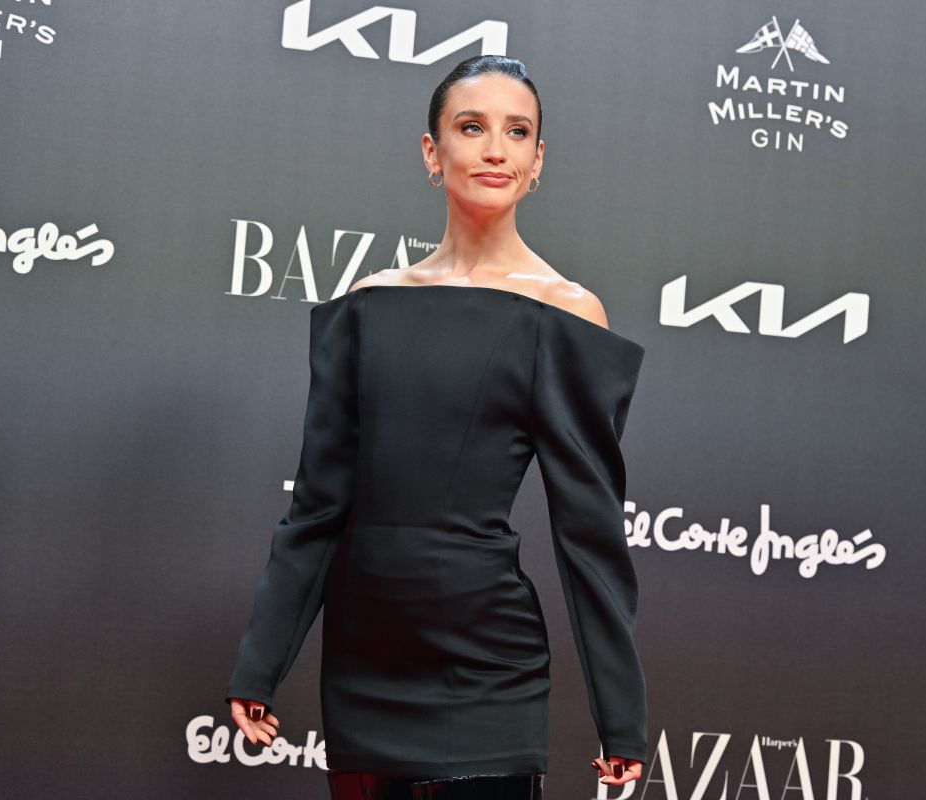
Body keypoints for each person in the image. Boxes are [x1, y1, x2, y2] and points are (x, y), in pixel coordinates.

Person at [224, 55, 648, 800]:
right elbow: (317, 509)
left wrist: (622, 720)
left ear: (537, 161)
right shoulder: (368, 306)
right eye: (472, 127)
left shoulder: (565, 313)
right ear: (432, 150)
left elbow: (589, 531)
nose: (496, 149)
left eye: (518, 132)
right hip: (365, 657)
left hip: (486, 660)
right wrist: (259, 667)